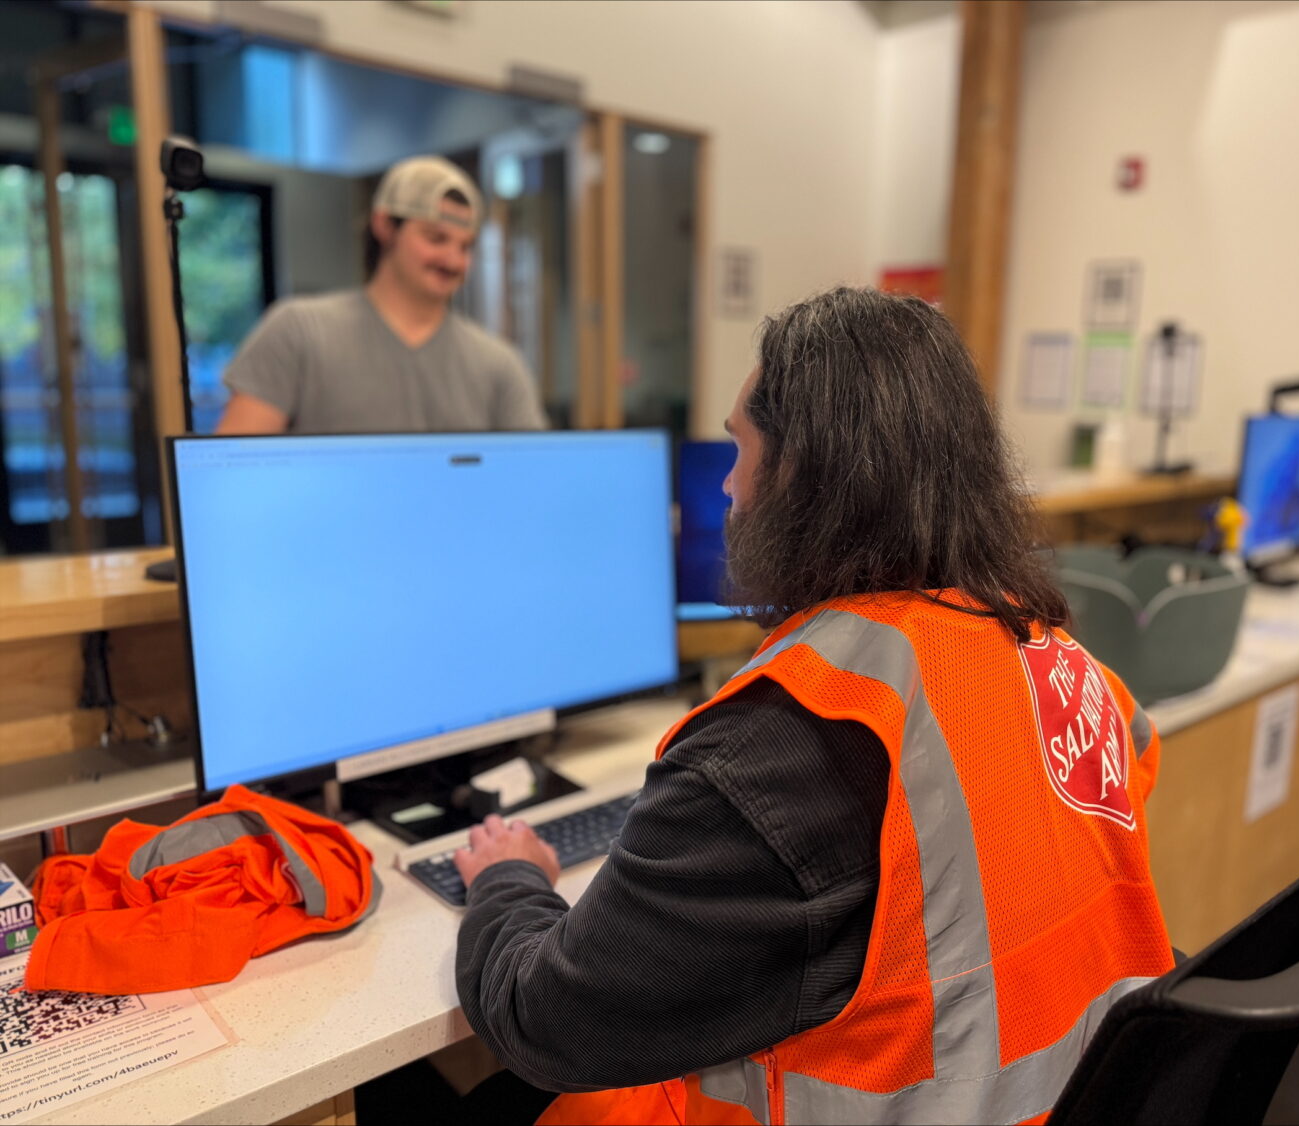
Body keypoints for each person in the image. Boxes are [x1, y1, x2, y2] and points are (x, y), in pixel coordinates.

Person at [452, 287, 1176, 1125]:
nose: (726, 486)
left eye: (739, 449)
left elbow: (549, 1021)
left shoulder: (788, 741)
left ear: (799, 471)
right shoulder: (1056, 658)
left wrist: (509, 877)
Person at [215, 155, 546, 435]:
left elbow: (534, 477)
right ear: (385, 226)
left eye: (466, 246)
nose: (454, 261)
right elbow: (239, 470)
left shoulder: (500, 364)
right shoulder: (299, 331)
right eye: (436, 238)